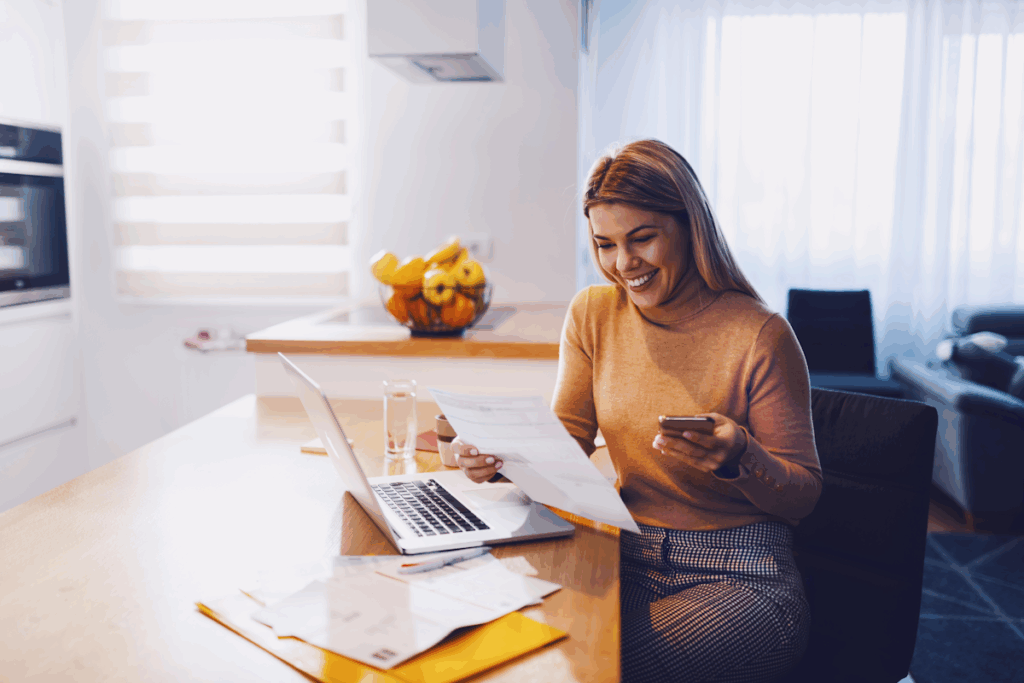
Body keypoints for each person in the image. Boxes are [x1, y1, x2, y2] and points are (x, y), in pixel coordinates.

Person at [452, 139, 822, 683]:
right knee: (496, 635)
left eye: (642, 239)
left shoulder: (760, 335)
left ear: (688, 226)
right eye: (605, 244)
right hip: (622, 550)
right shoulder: (593, 314)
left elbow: (804, 496)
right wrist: (500, 456)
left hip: (743, 575)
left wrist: (739, 455)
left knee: (587, 663)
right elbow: (567, 440)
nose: (623, 265)